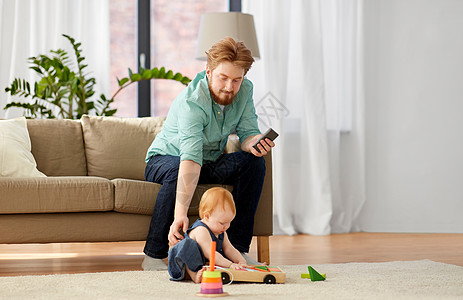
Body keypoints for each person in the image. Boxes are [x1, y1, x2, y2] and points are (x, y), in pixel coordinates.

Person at [142, 37, 275, 271]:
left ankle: (239, 252)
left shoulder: (245, 91)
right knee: (176, 168)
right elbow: (190, 160)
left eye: (236, 79)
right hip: (166, 160)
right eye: (223, 78)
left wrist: (255, 143)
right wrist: (180, 215)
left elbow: (247, 133)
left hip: (209, 161)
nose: (229, 87)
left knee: (253, 162)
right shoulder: (192, 102)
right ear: (209, 72)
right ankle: (153, 255)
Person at [168, 187, 248, 283]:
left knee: (223, 255)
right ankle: (194, 275)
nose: (226, 226)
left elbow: (229, 249)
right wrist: (230, 265)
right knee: (188, 244)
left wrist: (241, 261)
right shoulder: (201, 230)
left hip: (205, 264)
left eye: (229, 222)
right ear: (207, 216)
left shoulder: (221, 231)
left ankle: (205, 271)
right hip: (181, 265)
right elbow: (210, 253)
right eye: (222, 223)